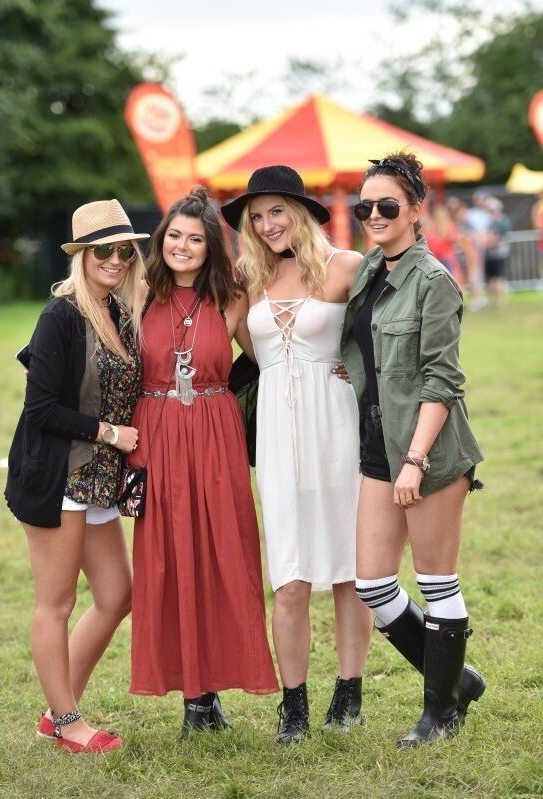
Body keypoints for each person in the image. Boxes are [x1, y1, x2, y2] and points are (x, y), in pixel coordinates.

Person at [221, 166, 373, 745]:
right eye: (256, 217)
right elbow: (233, 347)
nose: (267, 225)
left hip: (338, 430)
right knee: (289, 576)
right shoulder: (246, 278)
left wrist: (353, 368)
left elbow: (382, 338)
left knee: (349, 571)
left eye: (276, 211)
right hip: (278, 439)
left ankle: (349, 693)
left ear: (302, 212)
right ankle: (294, 707)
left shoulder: (348, 267)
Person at [339, 152, 486, 747]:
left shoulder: (434, 281)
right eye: (365, 207)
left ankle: (440, 714)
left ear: (416, 210)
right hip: (379, 440)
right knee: (372, 583)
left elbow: (442, 380)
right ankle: (457, 681)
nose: (374, 215)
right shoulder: (370, 269)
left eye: (387, 205)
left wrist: (416, 460)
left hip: (430, 452)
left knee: (436, 580)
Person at [128, 186, 278, 739]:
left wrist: (331, 369)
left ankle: (212, 689)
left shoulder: (232, 296)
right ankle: (194, 700)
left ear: (211, 246)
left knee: (222, 555)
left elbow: (270, 357)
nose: (183, 246)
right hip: (156, 433)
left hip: (216, 434)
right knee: (170, 560)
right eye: (174, 236)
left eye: (195, 238)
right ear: (161, 240)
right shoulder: (140, 293)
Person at [5, 199, 147, 753]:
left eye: (124, 251)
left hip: (98, 483)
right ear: (82, 255)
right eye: (103, 250)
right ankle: (67, 723)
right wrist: (111, 433)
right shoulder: (61, 315)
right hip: (58, 477)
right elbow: (40, 409)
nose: (115, 260)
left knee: (116, 595)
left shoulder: (120, 312)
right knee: (56, 604)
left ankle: (56, 712)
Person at [483, 196, 511, 307]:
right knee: (491, 277)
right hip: (489, 253)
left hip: (499, 253)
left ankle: (501, 300)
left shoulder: (502, 221)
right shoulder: (489, 221)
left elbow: (499, 237)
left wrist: (487, 241)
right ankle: (493, 300)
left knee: (499, 277)